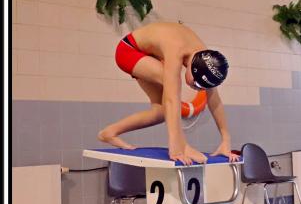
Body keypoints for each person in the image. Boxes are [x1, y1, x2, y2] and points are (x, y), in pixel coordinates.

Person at [98, 21, 238, 165]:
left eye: (202, 88)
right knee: (172, 84)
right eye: (196, 84)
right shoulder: (176, 49)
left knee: (160, 112)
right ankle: (182, 145)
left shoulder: (206, 60)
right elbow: (172, 99)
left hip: (150, 54)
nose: (197, 89)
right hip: (128, 50)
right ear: (193, 68)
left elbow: (215, 101)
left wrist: (226, 140)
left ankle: (109, 132)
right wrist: (177, 148)